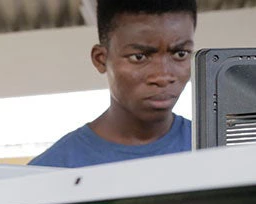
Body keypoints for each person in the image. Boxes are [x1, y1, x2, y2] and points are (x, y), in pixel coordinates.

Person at [28, 0, 196, 168]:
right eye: (139, 57)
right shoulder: (50, 170)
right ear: (101, 60)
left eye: (180, 54)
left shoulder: (214, 151)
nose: (162, 76)